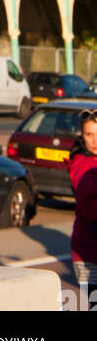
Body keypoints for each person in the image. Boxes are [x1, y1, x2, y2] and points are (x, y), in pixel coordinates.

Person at [68, 109, 97, 308]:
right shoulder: (81, 166)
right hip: (89, 254)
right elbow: (91, 209)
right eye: (89, 135)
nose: (95, 140)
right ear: (82, 137)